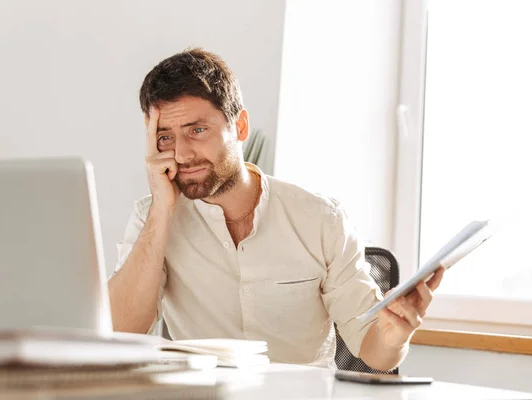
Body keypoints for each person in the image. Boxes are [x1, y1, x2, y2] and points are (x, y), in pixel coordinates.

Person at [108, 48, 444, 369]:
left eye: (197, 130)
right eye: (166, 137)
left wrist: (394, 338)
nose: (181, 154)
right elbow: (122, 331)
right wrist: (162, 210)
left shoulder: (319, 220)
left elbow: (375, 354)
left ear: (239, 127)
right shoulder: (152, 219)